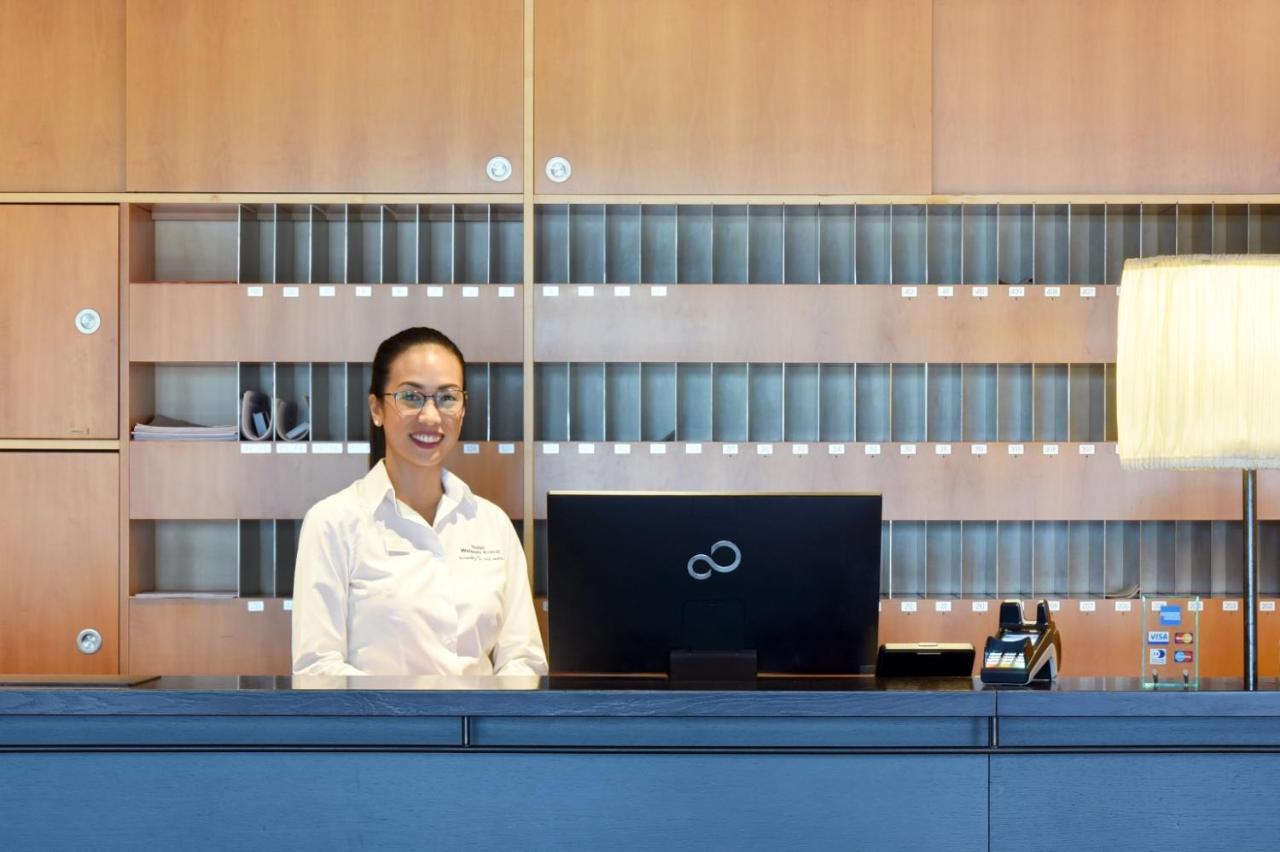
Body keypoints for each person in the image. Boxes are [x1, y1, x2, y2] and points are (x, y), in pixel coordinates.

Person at [291, 326, 547, 676]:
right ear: (377, 409)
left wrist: (482, 710)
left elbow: (523, 660)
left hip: (479, 713)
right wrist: (411, 708)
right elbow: (318, 668)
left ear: (463, 410)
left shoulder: (492, 523)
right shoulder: (333, 522)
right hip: (380, 714)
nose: (430, 416)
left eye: (447, 398)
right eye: (411, 397)